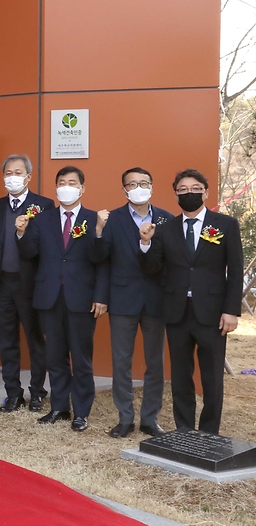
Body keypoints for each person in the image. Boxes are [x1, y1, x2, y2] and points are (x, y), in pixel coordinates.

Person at [140, 169, 242, 435]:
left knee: (212, 377)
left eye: (195, 188)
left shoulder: (225, 225)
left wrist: (231, 311)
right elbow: (153, 268)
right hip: (177, 312)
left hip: (212, 313)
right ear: (175, 194)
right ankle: (184, 431)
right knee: (181, 377)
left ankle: (209, 433)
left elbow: (236, 269)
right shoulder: (165, 229)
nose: (189, 193)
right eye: (183, 190)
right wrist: (145, 242)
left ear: (206, 192)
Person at [16, 166, 107, 432]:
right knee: (54, 356)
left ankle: (81, 411)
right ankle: (59, 407)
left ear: (82, 188)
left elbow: (102, 262)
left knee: (81, 358)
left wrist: (101, 297)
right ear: (55, 188)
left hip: (82, 299)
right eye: (61, 182)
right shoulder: (43, 219)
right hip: (49, 298)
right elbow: (29, 253)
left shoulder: (94, 220)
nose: (66, 186)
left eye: (72, 182)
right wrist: (21, 232)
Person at [91, 167, 174, 438]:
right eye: (132, 184)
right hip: (122, 299)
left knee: (155, 362)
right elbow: (101, 261)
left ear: (152, 185)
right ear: (124, 189)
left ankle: (150, 418)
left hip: (156, 300)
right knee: (121, 362)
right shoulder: (111, 219)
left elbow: (171, 263)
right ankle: (125, 418)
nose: (139, 187)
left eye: (144, 183)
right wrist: (99, 231)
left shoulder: (166, 220)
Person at [0, 155, 53, 413]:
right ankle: (13, 393)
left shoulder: (44, 205)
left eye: (18, 172)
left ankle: (37, 391)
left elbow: (47, 247)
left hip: (31, 286)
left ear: (28, 177)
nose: (12, 177)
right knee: (7, 341)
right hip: (3, 284)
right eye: (8, 172)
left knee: (36, 340)